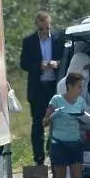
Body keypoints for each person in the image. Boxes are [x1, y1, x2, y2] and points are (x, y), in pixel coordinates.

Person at [42, 72, 88, 178]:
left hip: (75, 143)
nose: (81, 90)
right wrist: (52, 116)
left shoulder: (81, 102)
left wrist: (87, 124)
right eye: (79, 86)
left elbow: (82, 123)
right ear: (69, 86)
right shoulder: (56, 100)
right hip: (59, 144)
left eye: (82, 86)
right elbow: (44, 122)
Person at [20, 10, 64, 165]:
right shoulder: (29, 41)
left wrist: (56, 64)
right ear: (37, 27)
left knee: (56, 120)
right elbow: (23, 64)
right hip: (38, 88)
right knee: (38, 123)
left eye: (47, 28)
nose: (45, 31)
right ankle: (38, 157)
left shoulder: (58, 39)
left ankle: (52, 151)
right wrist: (39, 66)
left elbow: (64, 58)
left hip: (54, 87)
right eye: (41, 29)